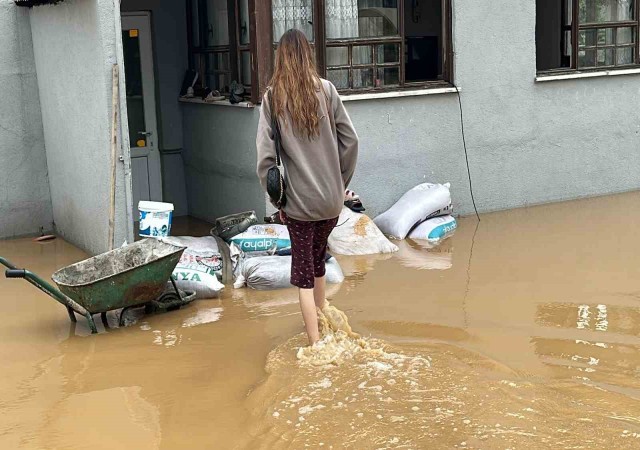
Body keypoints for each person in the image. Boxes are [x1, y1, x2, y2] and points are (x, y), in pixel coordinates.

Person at [256, 29, 359, 346]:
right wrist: (340, 184)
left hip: (299, 207)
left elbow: (264, 159)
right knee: (318, 261)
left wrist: (278, 201)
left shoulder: (273, 99)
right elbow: (351, 141)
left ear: (280, 59)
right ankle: (324, 319)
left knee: (301, 275)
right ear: (308, 55)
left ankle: (315, 344)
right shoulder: (327, 91)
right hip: (330, 204)